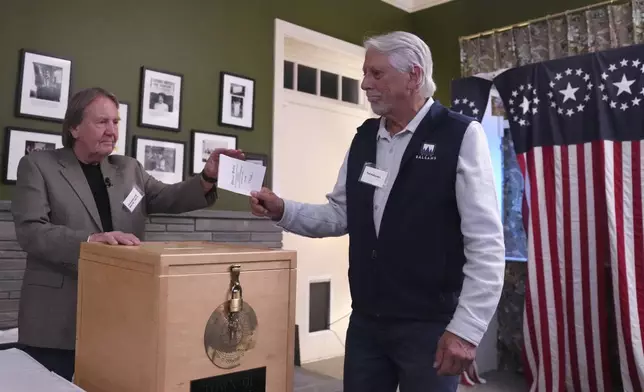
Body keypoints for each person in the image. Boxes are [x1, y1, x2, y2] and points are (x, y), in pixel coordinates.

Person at [249, 31, 505, 392]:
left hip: (429, 326)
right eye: (365, 73)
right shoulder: (365, 138)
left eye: (377, 74)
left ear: (414, 75)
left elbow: (487, 245)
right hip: (367, 323)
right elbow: (340, 215)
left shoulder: (460, 135)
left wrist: (466, 329)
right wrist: (282, 210)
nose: (365, 83)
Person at [11, 87, 243, 381]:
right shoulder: (38, 165)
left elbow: (168, 197)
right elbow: (31, 231)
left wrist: (207, 177)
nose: (112, 131)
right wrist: (90, 242)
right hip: (57, 316)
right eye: (102, 122)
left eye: (115, 122)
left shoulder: (129, 168)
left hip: (119, 310)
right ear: (74, 127)